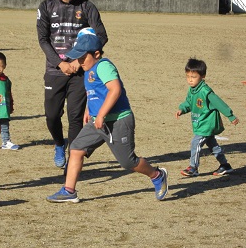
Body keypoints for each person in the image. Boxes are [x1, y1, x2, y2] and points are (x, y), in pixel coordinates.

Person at [46, 34, 168, 203]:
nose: (79, 61)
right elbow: (95, 92)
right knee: (76, 148)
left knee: (127, 162)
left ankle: (157, 175)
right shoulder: (89, 68)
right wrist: (89, 109)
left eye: (82, 57)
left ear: (96, 54)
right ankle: (69, 191)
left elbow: (115, 90)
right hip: (98, 122)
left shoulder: (103, 66)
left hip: (118, 120)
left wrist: (101, 114)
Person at [37, 0, 108, 168]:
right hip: (55, 71)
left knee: (75, 117)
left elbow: (102, 35)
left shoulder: (87, 7)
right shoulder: (46, 7)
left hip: (79, 73)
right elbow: (43, 40)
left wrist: (79, 61)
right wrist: (60, 63)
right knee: (51, 116)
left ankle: (73, 160)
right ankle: (59, 144)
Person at [175, 58, 239, 177]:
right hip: (200, 123)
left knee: (195, 143)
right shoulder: (192, 90)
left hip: (207, 124)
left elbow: (219, 104)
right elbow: (189, 103)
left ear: (202, 76)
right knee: (213, 146)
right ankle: (225, 165)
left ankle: (193, 167)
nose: (190, 80)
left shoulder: (206, 92)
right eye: (188, 76)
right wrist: (182, 109)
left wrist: (230, 116)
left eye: (193, 77)